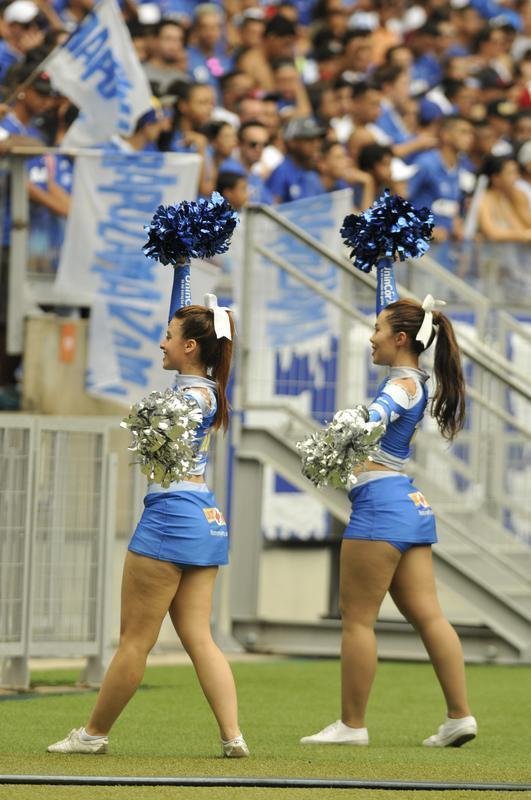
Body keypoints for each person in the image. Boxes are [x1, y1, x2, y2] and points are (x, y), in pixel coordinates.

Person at [47, 291, 249, 759]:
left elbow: (173, 417)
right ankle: (232, 735)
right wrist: (180, 266)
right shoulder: (203, 388)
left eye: (169, 336)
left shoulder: (192, 396)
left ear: (191, 347)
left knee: (135, 641)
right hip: (206, 517)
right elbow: (184, 348)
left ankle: (93, 734)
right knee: (200, 636)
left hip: (170, 517)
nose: (162, 343)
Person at [300, 257, 477, 748]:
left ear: (401, 339)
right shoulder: (414, 374)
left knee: (357, 619)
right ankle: (459, 716)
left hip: (380, 507)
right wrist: (382, 264)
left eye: (377, 328)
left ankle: (352, 725)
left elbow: (382, 409)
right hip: (409, 505)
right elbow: (398, 327)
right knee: (429, 615)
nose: (370, 336)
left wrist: (355, 424)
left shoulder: (402, 385)